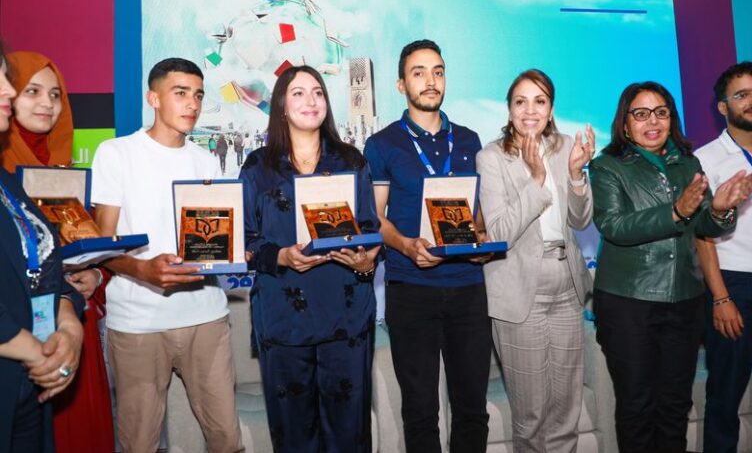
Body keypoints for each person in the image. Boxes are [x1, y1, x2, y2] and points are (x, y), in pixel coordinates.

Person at [589, 81, 752, 452]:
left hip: (684, 300)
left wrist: (721, 208)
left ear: (671, 119)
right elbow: (614, 226)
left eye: (661, 113)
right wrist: (676, 211)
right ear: (625, 123)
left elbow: (705, 227)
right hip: (628, 303)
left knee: (676, 403)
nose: (653, 121)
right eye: (641, 114)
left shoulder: (688, 163)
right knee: (637, 404)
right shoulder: (607, 166)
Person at [90, 58, 243, 453]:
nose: (192, 103)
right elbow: (101, 243)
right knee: (139, 442)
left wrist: (236, 250)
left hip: (207, 318)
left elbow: (216, 238)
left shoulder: (206, 161)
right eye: (181, 93)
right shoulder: (116, 153)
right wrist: (141, 269)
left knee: (227, 440)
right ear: (153, 98)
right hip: (138, 323)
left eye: (198, 95)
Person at [240, 65, 380, 452]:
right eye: (298, 93)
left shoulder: (351, 161)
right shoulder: (258, 167)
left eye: (318, 92)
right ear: (281, 106)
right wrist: (281, 256)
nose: (311, 100)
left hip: (347, 318)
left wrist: (367, 261)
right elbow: (244, 241)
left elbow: (371, 228)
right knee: (294, 438)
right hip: (283, 321)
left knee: (349, 436)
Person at [363, 39, 492, 453]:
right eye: (418, 72)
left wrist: (480, 239)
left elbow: (477, 215)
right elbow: (375, 218)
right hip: (411, 289)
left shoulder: (470, 140)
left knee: (472, 409)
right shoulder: (382, 144)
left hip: (469, 287)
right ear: (401, 84)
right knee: (420, 412)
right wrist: (404, 245)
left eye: (438, 71)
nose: (430, 80)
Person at [477, 69, 595, 452]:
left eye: (539, 101)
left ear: (551, 109)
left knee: (566, 412)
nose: (530, 110)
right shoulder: (491, 157)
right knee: (531, 418)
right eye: (521, 102)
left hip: (567, 284)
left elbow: (581, 220)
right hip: (518, 290)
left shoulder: (565, 147)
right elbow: (499, 233)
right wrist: (537, 178)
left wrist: (576, 174)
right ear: (509, 109)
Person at [3, 50, 114, 453]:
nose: (47, 104)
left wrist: (92, 280)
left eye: (55, 94)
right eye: (32, 91)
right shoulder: (8, 168)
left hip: (67, 330)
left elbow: (92, 246)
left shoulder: (64, 170)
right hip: (19, 346)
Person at [695, 61, 752, 452]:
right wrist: (720, 297)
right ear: (723, 106)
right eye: (742, 95)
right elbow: (702, 237)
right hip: (735, 285)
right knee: (724, 398)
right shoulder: (706, 159)